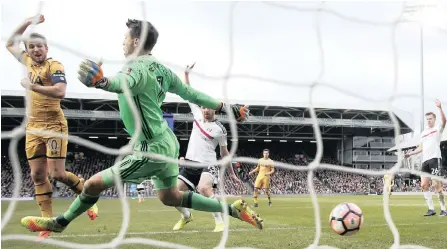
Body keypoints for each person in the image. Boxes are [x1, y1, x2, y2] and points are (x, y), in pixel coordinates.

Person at [20, 18, 263, 233]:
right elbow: (190, 93)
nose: (122, 42)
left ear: (135, 41)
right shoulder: (162, 69)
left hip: (150, 148)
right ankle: (232, 210)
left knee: (93, 184)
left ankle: (59, 223)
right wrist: (226, 107)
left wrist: (101, 81)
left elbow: (122, 82)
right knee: (170, 197)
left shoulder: (135, 67)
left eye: (125, 38)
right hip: (167, 141)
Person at [5, 14, 98, 239]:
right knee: (37, 176)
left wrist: (32, 87)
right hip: (33, 127)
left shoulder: (54, 65)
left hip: (54, 125)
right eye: (31, 47)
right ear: (27, 50)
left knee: (56, 174)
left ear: (46, 48)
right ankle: (47, 221)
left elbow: (60, 91)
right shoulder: (26, 61)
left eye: (39, 46)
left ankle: (87, 197)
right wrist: (28, 21)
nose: (36, 50)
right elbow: (9, 42)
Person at [172, 63, 242, 233]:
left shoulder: (220, 129)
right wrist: (186, 75)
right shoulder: (196, 115)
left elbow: (225, 153)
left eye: (208, 107)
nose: (205, 110)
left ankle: (219, 221)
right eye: (203, 107)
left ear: (215, 110)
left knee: (204, 188)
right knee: (172, 194)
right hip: (190, 163)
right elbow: (187, 93)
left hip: (208, 164)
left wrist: (232, 174)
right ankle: (186, 216)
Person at [405, 99, 446, 216]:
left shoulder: (437, 129)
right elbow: (421, 147)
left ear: (434, 119)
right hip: (425, 161)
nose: (428, 121)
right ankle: (431, 209)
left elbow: (444, 121)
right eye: (427, 119)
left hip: (435, 159)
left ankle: (444, 209)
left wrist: (440, 108)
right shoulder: (423, 133)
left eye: (430, 119)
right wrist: (411, 153)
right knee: (423, 185)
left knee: (436, 185)